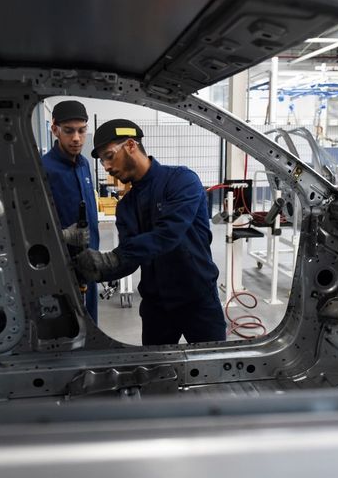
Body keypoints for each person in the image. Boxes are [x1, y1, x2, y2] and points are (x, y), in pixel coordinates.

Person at [74, 119, 226, 345]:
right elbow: (129, 259)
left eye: (108, 155)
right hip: (157, 307)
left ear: (130, 146)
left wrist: (114, 258)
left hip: (198, 300)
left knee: (212, 370)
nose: (106, 167)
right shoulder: (126, 206)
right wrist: (96, 269)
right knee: (157, 374)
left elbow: (168, 234)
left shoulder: (182, 180)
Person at [42, 100, 100, 323]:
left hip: (90, 260)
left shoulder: (85, 164)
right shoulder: (43, 170)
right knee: (67, 324)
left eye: (81, 130)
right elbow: (30, 224)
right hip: (60, 266)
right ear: (55, 129)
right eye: (68, 131)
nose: (76, 138)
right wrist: (63, 235)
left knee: (91, 321)